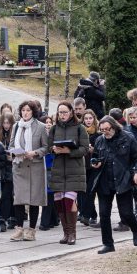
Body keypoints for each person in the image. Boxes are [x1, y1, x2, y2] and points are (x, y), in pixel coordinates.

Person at [91, 116, 137, 253]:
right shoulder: (99, 140)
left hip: (123, 180)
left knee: (126, 213)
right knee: (103, 214)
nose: (105, 132)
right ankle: (108, 244)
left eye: (107, 129)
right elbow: (95, 156)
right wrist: (95, 162)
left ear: (114, 126)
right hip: (104, 181)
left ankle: (136, 228)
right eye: (102, 130)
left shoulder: (127, 137)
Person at [49, 102, 89, 245]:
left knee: (69, 201)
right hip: (58, 169)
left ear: (71, 112)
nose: (62, 115)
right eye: (60, 112)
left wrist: (69, 151)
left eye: (65, 112)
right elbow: (49, 146)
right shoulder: (54, 128)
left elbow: (85, 149)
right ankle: (65, 233)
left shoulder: (80, 128)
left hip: (75, 170)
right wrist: (54, 149)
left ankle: (72, 233)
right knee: (59, 202)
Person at [9, 100, 48, 242]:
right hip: (19, 166)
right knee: (19, 199)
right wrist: (15, 152)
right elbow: (11, 144)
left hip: (35, 166)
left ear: (33, 112)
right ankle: (19, 229)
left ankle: (31, 230)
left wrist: (35, 153)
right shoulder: (16, 126)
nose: (25, 113)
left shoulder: (41, 127)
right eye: (23, 110)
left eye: (28, 110)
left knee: (34, 199)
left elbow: (46, 147)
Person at [79, 111, 100, 227]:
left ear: (94, 119)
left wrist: (93, 150)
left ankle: (89, 215)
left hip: (93, 166)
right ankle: (88, 214)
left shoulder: (97, 134)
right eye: (86, 118)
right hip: (82, 164)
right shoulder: (81, 132)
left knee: (90, 191)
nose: (88, 120)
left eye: (90, 118)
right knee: (83, 191)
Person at [0, 112, 16, 232]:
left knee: (7, 194)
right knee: (6, 194)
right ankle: (10, 217)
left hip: (11, 168)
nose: (6, 125)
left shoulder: (14, 133)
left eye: (8, 123)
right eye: (4, 123)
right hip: (1, 169)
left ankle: (3, 218)